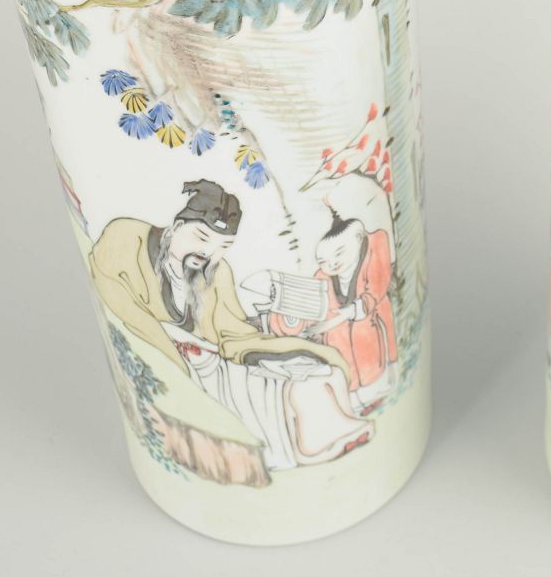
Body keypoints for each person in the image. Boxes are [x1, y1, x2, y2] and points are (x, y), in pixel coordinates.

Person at [89, 180, 372, 470]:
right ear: (177, 227)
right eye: (201, 237)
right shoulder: (129, 240)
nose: (209, 252)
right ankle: (311, 446)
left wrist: (272, 351)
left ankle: (338, 431)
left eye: (223, 246)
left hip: (213, 353)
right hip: (179, 356)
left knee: (313, 368)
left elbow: (233, 332)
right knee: (268, 385)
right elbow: (116, 295)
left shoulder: (217, 272)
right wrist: (174, 350)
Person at [272, 211, 397, 412]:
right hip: (341, 339)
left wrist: (349, 313)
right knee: (339, 348)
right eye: (323, 261)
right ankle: (353, 401)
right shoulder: (323, 278)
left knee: (365, 341)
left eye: (339, 253)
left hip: (370, 325)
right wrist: (290, 318)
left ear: (358, 240)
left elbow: (376, 288)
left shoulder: (373, 252)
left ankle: (376, 394)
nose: (332, 264)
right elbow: (312, 309)